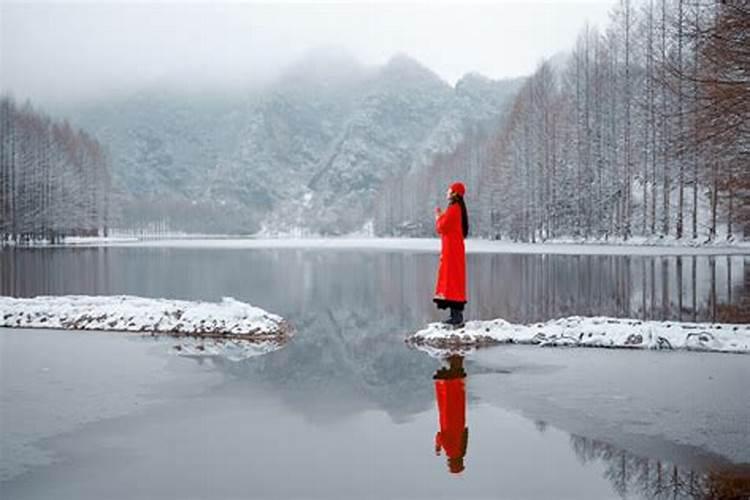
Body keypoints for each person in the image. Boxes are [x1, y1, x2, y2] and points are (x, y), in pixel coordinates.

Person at [434, 182, 469, 326]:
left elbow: (442, 227)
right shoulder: (456, 208)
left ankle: (456, 316)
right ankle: (455, 314)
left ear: (454, 193)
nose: (447, 193)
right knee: (453, 280)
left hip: (452, 250)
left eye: (449, 190)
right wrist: (443, 216)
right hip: (453, 249)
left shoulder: (454, 208)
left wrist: (438, 216)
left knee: (453, 280)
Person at [433, 355, 469, 474]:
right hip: (449, 418)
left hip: (458, 419)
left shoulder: (462, 450)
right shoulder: (452, 451)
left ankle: (456, 362)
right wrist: (438, 447)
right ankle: (454, 361)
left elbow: (465, 432)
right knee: (449, 395)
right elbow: (441, 437)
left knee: (455, 397)